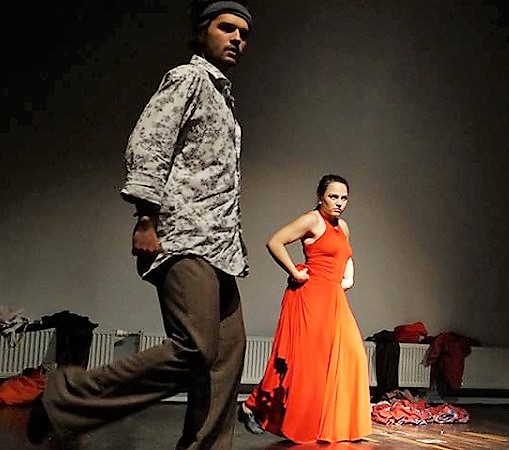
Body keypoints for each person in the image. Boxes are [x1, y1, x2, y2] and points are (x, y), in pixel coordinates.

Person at [26, 2, 254, 448]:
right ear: (202, 32)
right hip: (183, 237)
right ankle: (65, 399)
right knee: (196, 347)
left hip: (222, 246)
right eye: (227, 28)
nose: (236, 39)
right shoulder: (187, 79)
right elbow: (149, 144)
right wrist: (145, 219)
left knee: (227, 355)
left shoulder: (223, 98)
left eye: (244, 34)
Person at [237, 174, 373, 444]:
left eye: (344, 198)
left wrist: (349, 277)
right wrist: (294, 272)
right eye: (333, 197)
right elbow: (275, 242)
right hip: (311, 298)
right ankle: (252, 406)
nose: (339, 203)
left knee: (352, 355)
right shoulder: (312, 220)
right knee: (305, 364)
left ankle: (338, 425)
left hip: (334, 299)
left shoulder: (343, 226)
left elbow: (346, 254)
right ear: (321, 197)